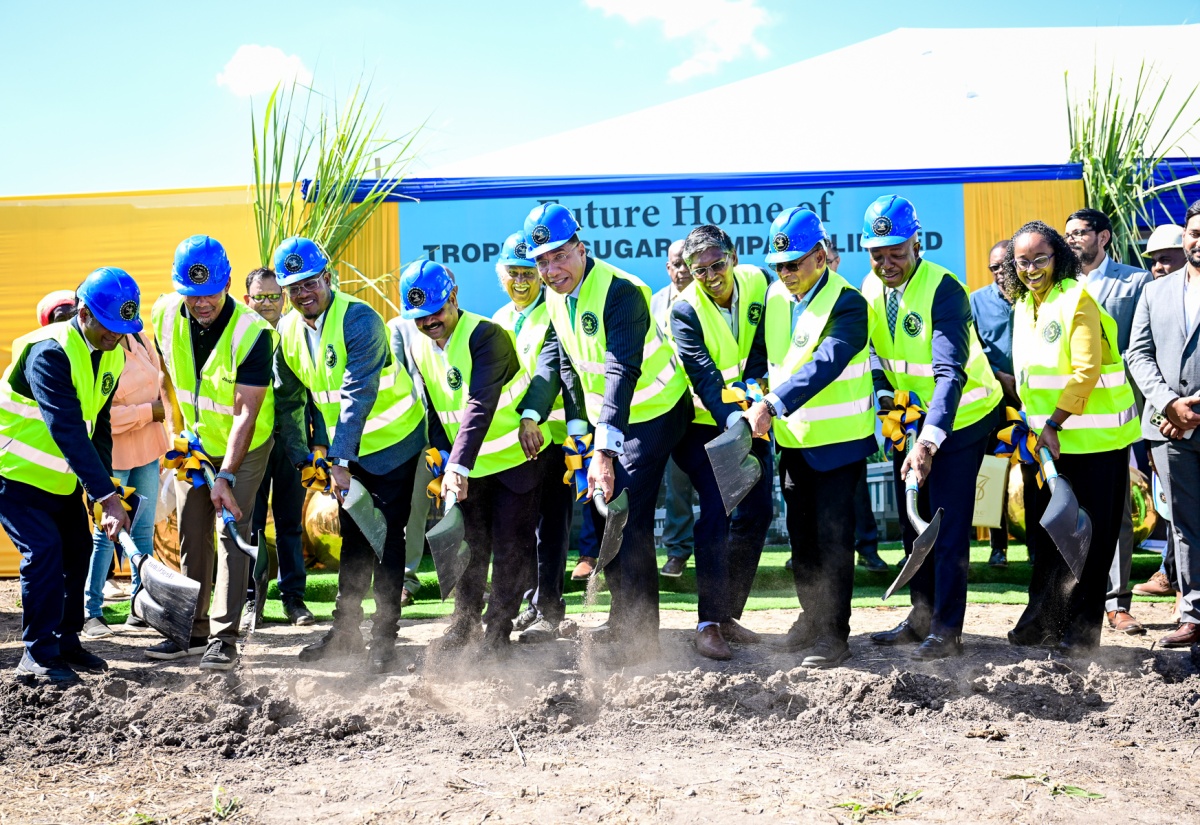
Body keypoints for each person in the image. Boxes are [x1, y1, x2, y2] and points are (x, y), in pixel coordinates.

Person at [522, 202, 693, 665]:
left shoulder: (622, 291)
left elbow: (621, 369)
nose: (551, 269)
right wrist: (533, 412)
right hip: (613, 420)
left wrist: (604, 449)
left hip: (655, 409)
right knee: (611, 506)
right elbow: (557, 352)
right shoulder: (555, 295)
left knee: (627, 510)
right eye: (542, 261)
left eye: (560, 256)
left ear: (581, 247)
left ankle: (641, 638)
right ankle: (622, 622)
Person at [273, 238, 426, 673]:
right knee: (355, 538)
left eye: (310, 283)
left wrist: (338, 460)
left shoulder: (360, 319)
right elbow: (287, 400)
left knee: (385, 538)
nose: (303, 293)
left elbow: (358, 392)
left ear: (328, 277)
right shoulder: (286, 330)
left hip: (394, 443)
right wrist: (303, 457)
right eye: (293, 287)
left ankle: (383, 639)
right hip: (351, 453)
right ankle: (345, 633)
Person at [862, 195, 1003, 660]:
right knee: (912, 522)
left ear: (916, 242)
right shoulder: (870, 288)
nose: (886, 263)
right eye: (877, 254)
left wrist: (928, 439)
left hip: (961, 421)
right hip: (916, 423)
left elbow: (950, 374)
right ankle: (920, 616)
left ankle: (947, 631)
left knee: (946, 522)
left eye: (896, 252)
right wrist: (890, 408)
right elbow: (879, 361)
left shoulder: (944, 288)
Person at [743, 209, 876, 668]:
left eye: (793, 263)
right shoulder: (776, 297)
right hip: (794, 443)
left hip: (839, 445)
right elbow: (761, 359)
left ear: (820, 257)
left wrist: (772, 404)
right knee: (802, 543)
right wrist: (753, 391)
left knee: (834, 543)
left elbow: (826, 363)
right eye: (779, 265)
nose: (785, 273)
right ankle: (811, 619)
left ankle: (834, 635)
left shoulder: (850, 303)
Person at [1002, 221, 1139, 654]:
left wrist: (1053, 424)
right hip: (1046, 446)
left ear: (1058, 256)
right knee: (1048, 540)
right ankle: (1042, 623)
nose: (1031, 269)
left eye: (1040, 259)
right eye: (1022, 261)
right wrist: (1034, 425)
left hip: (1094, 445)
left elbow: (1086, 371)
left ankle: (1079, 637)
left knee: (1088, 547)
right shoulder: (1023, 304)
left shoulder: (1076, 298)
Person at [401, 259, 547, 656]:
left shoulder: (488, 335)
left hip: (516, 460)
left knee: (511, 547)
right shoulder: (417, 344)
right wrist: (439, 452)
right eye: (420, 318)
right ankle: (463, 625)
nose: (430, 323)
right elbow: (433, 403)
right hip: (468, 468)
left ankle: (498, 631)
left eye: (436, 313)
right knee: (470, 547)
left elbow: (480, 404)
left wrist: (457, 465)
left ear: (454, 297)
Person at [0, 268, 140, 683]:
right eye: (110, 327)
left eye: (123, 329)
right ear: (83, 313)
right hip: (14, 477)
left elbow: (97, 425)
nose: (116, 336)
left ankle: (66, 641)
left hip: (59, 480)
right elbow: (66, 427)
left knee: (77, 549)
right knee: (43, 553)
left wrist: (109, 488)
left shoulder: (112, 350)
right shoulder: (49, 353)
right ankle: (37, 655)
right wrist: (104, 498)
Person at [150, 235, 275, 670]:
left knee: (230, 532)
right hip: (196, 442)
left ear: (226, 285)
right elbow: (166, 375)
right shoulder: (164, 313)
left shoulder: (254, 333)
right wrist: (176, 433)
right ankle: (190, 628)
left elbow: (246, 413)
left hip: (246, 444)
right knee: (191, 528)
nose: (201, 303)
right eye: (192, 295)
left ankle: (224, 639)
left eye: (210, 294)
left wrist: (226, 476)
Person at [667, 224, 772, 659]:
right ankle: (707, 622)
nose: (710, 276)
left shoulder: (761, 282)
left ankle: (727, 613)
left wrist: (761, 401)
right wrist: (739, 423)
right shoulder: (684, 310)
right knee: (717, 504)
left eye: (716, 264)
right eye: (699, 270)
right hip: (699, 422)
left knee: (759, 510)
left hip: (752, 415)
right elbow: (706, 380)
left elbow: (765, 348)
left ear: (733, 254)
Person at [1064, 208, 1153, 636]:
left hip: (1120, 419)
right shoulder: (1057, 284)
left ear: (1104, 237)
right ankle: (1069, 601)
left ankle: (1116, 604)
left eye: (1081, 233)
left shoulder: (1135, 282)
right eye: (1068, 235)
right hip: (1066, 418)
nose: (1073, 240)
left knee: (1116, 513)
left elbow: (1142, 348)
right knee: (1069, 511)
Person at [492, 232, 574, 643]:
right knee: (519, 527)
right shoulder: (499, 320)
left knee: (552, 527)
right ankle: (530, 602)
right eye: (514, 273)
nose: (521, 281)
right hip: (516, 445)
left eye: (529, 273)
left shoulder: (558, 311)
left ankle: (550, 609)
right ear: (500, 275)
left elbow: (554, 375)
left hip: (555, 438)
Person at [1126, 201, 1200, 647]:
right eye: (1194, 232)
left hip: (1187, 419)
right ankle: (1193, 615)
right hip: (1169, 429)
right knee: (1185, 525)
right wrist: (1170, 404)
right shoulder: (1155, 292)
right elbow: (1138, 353)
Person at [82, 301, 170, 638]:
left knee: (144, 532)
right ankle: (91, 612)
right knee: (106, 536)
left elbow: (159, 387)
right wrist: (150, 412)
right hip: (113, 457)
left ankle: (140, 606)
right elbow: (100, 419)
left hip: (148, 450)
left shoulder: (141, 339)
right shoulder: (97, 353)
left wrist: (158, 417)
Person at [241, 267, 313, 627]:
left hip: (290, 442)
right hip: (249, 445)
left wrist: (317, 442)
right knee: (250, 524)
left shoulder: (297, 331)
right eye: (260, 297)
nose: (268, 303)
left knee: (289, 523)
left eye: (274, 296)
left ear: (283, 298)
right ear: (247, 299)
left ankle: (294, 600)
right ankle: (252, 601)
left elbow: (314, 388)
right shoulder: (237, 336)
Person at [824, 245, 887, 574]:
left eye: (831, 260)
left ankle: (868, 547)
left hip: (849, 418)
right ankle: (810, 554)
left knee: (858, 489)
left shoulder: (851, 298)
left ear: (835, 261)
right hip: (808, 420)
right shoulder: (795, 304)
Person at [650, 240, 697, 578]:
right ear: (668, 268)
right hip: (668, 406)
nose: (680, 270)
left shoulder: (704, 301)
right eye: (675, 264)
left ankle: (722, 551)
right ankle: (677, 552)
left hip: (708, 405)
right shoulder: (653, 303)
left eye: (685, 264)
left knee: (721, 484)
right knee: (676, 481)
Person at [971, 240, 1019, 567]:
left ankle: (1039, 547)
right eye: (994, 268)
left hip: (1038, 399)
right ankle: (997, 547)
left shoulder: (1036, 297)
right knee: (993, 472)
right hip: (995, 402)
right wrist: (1000, 376)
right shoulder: (976, 301)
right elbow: (970, 349)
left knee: (1036, 473)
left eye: (1005, 265)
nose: (999, 273)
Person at [386, 312, 431, 607]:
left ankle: (470, 581)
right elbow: (395, 381)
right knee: (414, 508)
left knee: (470, 509)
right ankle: (406, 579)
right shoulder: (399, 328)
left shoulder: (470, 327)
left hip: (461, 431)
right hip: (415, 434)